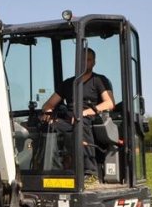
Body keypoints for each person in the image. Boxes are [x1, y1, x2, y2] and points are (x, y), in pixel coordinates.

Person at [40, 48, 114, 180]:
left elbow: (109, 103)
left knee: (81, 123)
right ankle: (53, 170)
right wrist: (48, 112)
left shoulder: (99, 80)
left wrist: (84, 112)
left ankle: (90, 173)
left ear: (94, 62)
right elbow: (49, 104)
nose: (85, 63)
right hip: (69, 120)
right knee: (50, 126)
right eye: (82, 60)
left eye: (89, 60)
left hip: (90, 119)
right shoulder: (68, 83)